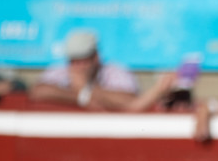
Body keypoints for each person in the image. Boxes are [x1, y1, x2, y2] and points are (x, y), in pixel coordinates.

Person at [28, 28, 175, 112]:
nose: (78, 66)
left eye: (83, 59)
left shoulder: (116, 72)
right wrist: (83, 96)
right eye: (73, 60)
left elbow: (130, 102)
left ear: (95, 57)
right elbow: (37, 91)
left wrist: (84, 88)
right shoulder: (60, 70)